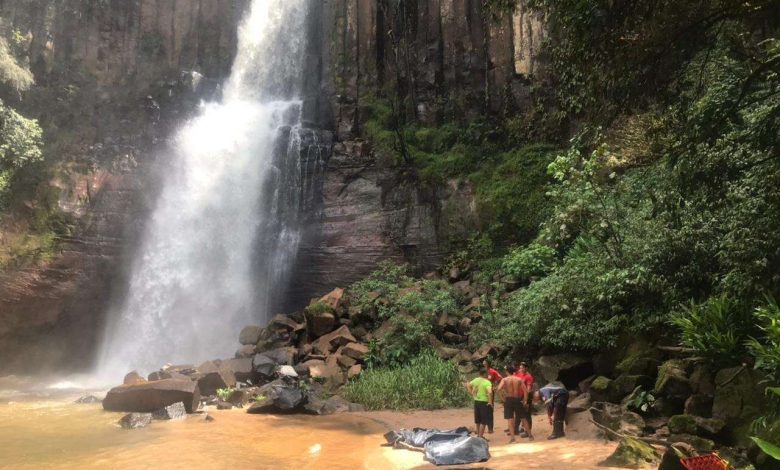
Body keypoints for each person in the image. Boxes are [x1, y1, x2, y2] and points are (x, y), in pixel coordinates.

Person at [497, 365, 533, 443]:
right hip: (517, 399)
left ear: (507, 372)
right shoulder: (519, 379)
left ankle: (513, 438)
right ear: (513, 372)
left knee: (510, 419)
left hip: (508, 400)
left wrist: (503, 399)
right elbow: (525, 391)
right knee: (523, 418)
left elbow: (498, 389)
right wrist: (525, 400)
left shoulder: (504, 380)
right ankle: (530, 435)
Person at [465, 368, 494, 439]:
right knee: (483, 421)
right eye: (487, 373)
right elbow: (490, 392)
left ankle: (478, 435)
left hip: (476, 401)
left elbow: (468, 385)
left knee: (478, 420)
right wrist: (490, 402)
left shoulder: (475, 380)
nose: (487, 375)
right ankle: (480, 437)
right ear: (484, 374)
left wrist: (472, 393)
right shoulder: (487, 382)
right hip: (484, 402)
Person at [512, 361, 535, 437]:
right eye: (520, 368)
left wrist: (525, 399)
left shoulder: (528, 376)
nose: (520, 369)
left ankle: (528, 431)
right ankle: (516, 429)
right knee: (518, 413)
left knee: (527, 414)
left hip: (526, 397)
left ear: (526, 368)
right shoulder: (519, 373)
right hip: (519, 396)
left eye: (522, 368)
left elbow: (528, 389)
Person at [483, 359, 502, 433]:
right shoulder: (483, 371)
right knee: (484, 410)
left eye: (485, 363)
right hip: (483, 392)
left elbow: (500, 377)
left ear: (488, 364)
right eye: (483, 363)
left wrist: (495, 385)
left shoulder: (492, 371)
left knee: (489, 410)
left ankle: (490, 428)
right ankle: (483, 428)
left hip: (490, 392)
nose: (484, 364)